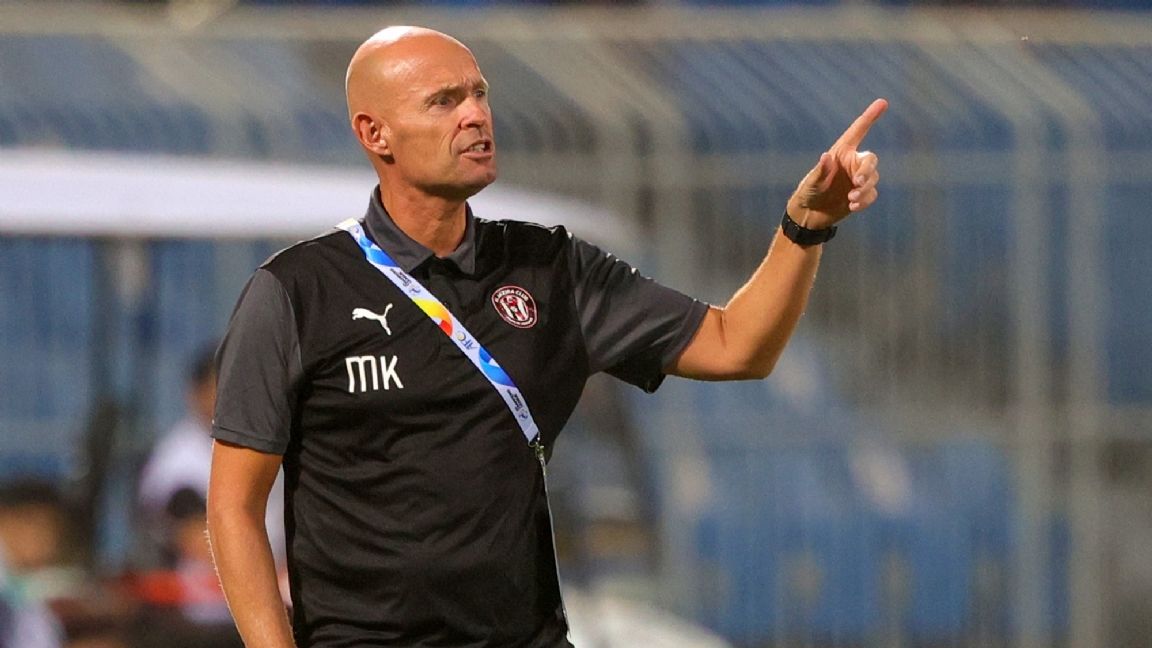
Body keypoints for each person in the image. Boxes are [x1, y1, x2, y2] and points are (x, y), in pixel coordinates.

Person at [206, 25, 884, 648]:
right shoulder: (296, 291)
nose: (476, 115)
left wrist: (805, 227)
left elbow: (738, 346)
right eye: (444, 101)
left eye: (479, 94)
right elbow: (234, 507)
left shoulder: (552, 268)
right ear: (375, 133)